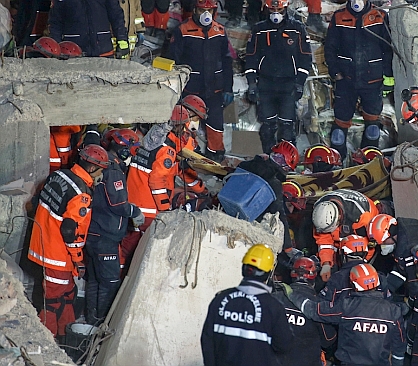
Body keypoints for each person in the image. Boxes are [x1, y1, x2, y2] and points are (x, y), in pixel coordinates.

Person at [28, 144, 109, 337]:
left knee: (68, 293)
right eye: (101, 170)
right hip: (57, 255)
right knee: (54, 300)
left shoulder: (60, 175)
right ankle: (47, 339)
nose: (101, 174)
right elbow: (69, 230)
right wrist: (78, 259)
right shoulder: (82, 194)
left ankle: (67, 333)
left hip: (41, 244)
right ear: (92, 167)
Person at [282, 263, 406, 366]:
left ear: (354, 284)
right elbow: (399, 345)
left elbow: (313, 310)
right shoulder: (393, 311)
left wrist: (292, 295)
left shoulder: (346, 306)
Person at [85, 129, 145, 325]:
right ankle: (102, 323)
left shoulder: (102, 164)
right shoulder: (113, 171)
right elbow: (118, 204)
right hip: (106, 237)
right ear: (124, 151)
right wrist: (135, 211)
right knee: (109, 283)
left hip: (93, 232)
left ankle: (90, 319)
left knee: (94, 280)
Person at [201, 244, 294, 366]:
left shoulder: (220, 299)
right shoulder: (274, 307)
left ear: (243, 268)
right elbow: (284, 346)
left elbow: (207, 341)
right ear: (268, 273)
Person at [325, 0, 393, 159]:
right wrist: (335, 72)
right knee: (339, 128)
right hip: (346, 80)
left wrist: (388, 77)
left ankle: (368, 162)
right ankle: (337, 162)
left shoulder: (379, 16)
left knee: (372, 126)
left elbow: (387, 49)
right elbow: (330, 47)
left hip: (372, 80)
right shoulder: (339, 17)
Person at [168, 0, 234, 163]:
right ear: (195, 10)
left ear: (214, 12)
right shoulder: (182, 30)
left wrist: (228, 88)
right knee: (188, 124)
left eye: (209, 10)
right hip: (191, 88)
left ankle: (216, 155)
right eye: (201, 10)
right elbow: (172, 59)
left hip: (215, 88)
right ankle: (188, 155)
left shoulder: (219, 31)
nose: (205, 14)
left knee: (216, 124)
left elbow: (227, 61)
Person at [245, 0, 312, 154]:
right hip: (266, 85)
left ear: (286, 8)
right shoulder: (259, 29)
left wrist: (300, 83)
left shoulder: (297, 28)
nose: (276, 13)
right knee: (268, 127)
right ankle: (269, 160)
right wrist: (252, 84)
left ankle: (288, 162)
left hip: (289, 85)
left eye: (280, 10)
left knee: (287, 127)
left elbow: (305, 57)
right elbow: (251, 57)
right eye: (273, 9)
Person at [122, 121, 179, 271]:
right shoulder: (166, 150)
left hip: (132, 206)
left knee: (127, 248)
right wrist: (165, 209)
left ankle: (120, 279)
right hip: (149, 211)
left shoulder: (144, 142)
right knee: (145, 254)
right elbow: (157, 181)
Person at [273, 257, 337, 366]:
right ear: (314, 276)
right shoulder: (318, 305)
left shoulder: (274, 298)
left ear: (292, 274)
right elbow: (328, 339)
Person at [238, 141, 299, 252]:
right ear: (283, 164)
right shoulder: (274, 184)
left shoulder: (246, 165)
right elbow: (279, 213)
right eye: (287, 168)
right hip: (250, 226)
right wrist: (288, 247)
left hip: (228, 210)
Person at [311, 189, 379, 281]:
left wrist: (362, 265)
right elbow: (324, 241)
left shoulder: (361, 217)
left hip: (363, 223)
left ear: (339, 218)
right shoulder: (319, 213)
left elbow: (368, 246)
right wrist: (326, 263)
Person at [48, 0, 129, 58]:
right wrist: (56, 48)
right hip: (73, 53)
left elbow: (116, 16)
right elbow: (55, 23)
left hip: (103, 51)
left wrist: (122, 39)